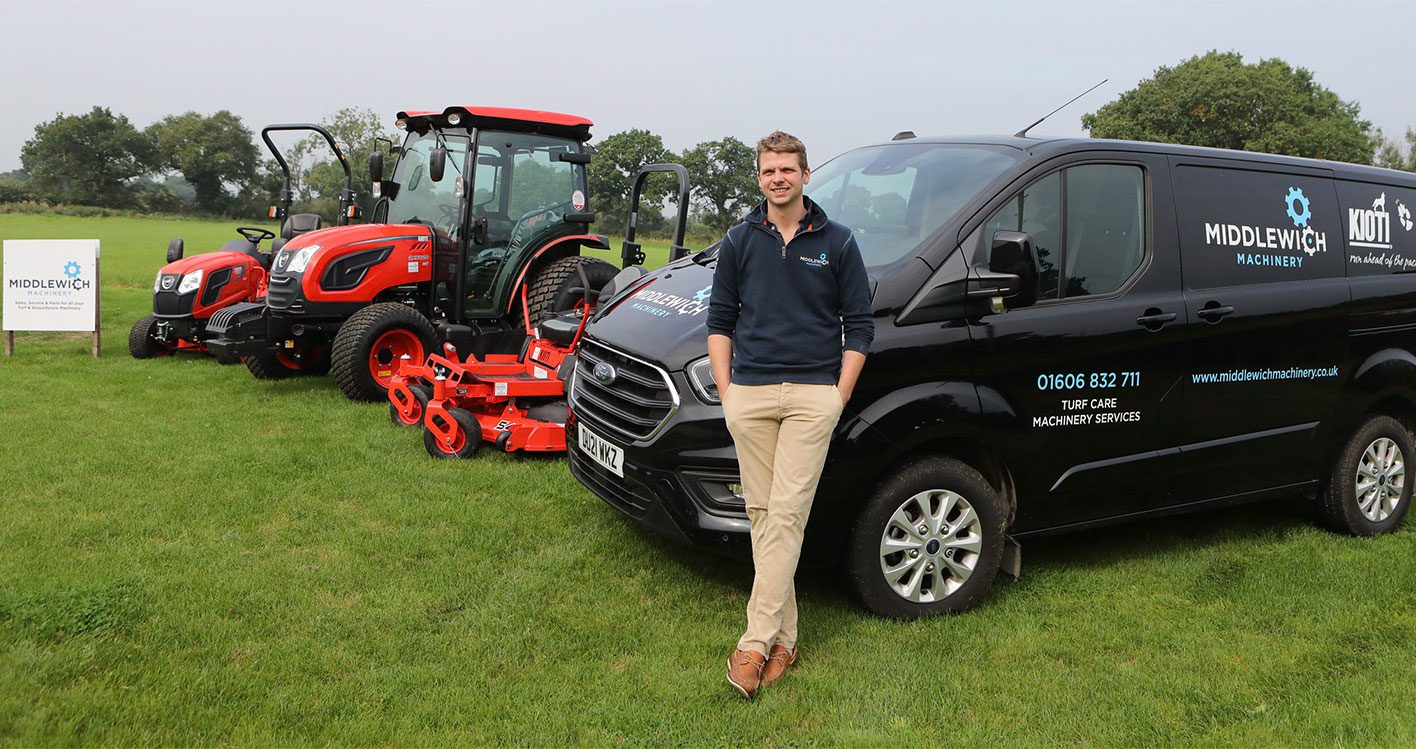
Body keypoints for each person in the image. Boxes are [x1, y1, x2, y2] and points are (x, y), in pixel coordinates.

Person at [706, 130, 874, 699]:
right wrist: (728, 394)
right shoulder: (738, 241)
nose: (777, 178)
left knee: (786, 513)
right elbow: (719, 322)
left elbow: (861, 325)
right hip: (749, 395)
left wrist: (838, 396)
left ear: (806, 175)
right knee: (765, 515)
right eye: (768, 170)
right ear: (759, 178)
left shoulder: (839, 242)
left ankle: (754, 642)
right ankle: (788, 636)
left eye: (787, 169)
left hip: (812, 398)